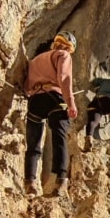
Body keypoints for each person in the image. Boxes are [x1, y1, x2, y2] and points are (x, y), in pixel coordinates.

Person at [23, 32, 78, 197]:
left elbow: (26, 85)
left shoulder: (36, 60)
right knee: (59, 137)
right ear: (69, 47)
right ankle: (61, 181)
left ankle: (30, 182)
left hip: (36, 100)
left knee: (33, 143)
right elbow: (64, 78)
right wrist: (71, 103)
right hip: (55, 97)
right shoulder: (63, 55)